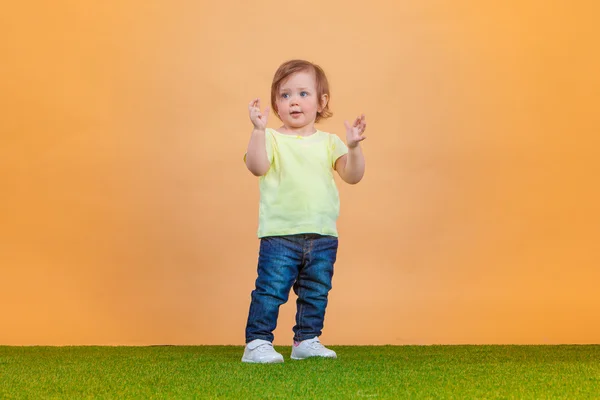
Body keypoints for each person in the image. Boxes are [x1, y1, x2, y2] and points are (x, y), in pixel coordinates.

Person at [242, 59, 367, 363]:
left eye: (303, 94)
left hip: (322, 235)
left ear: (321, 101)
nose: (294, 102)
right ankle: (257, 342)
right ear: (275, 103)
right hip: (280, 234)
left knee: (316, 291)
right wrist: (258, 131)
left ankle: (306, 340)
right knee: (271, 289)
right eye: (285, 96)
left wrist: (353, 147)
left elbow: (352, 176)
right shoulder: (271, 138)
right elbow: (257, 167)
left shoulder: (329, 142)